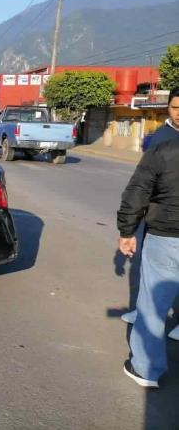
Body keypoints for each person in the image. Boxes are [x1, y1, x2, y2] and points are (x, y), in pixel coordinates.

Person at [117, 136, 179, 388]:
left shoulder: (163, 151)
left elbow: (138, 191)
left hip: (167, 237)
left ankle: (146, 369)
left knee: (154, 304)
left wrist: (127, 231)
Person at [120, 87, 179, 342]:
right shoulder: (161, 139)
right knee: (153, 277)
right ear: (168, 107)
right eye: (177, 108)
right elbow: (141, 186)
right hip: (163, 222)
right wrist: (128, 228)